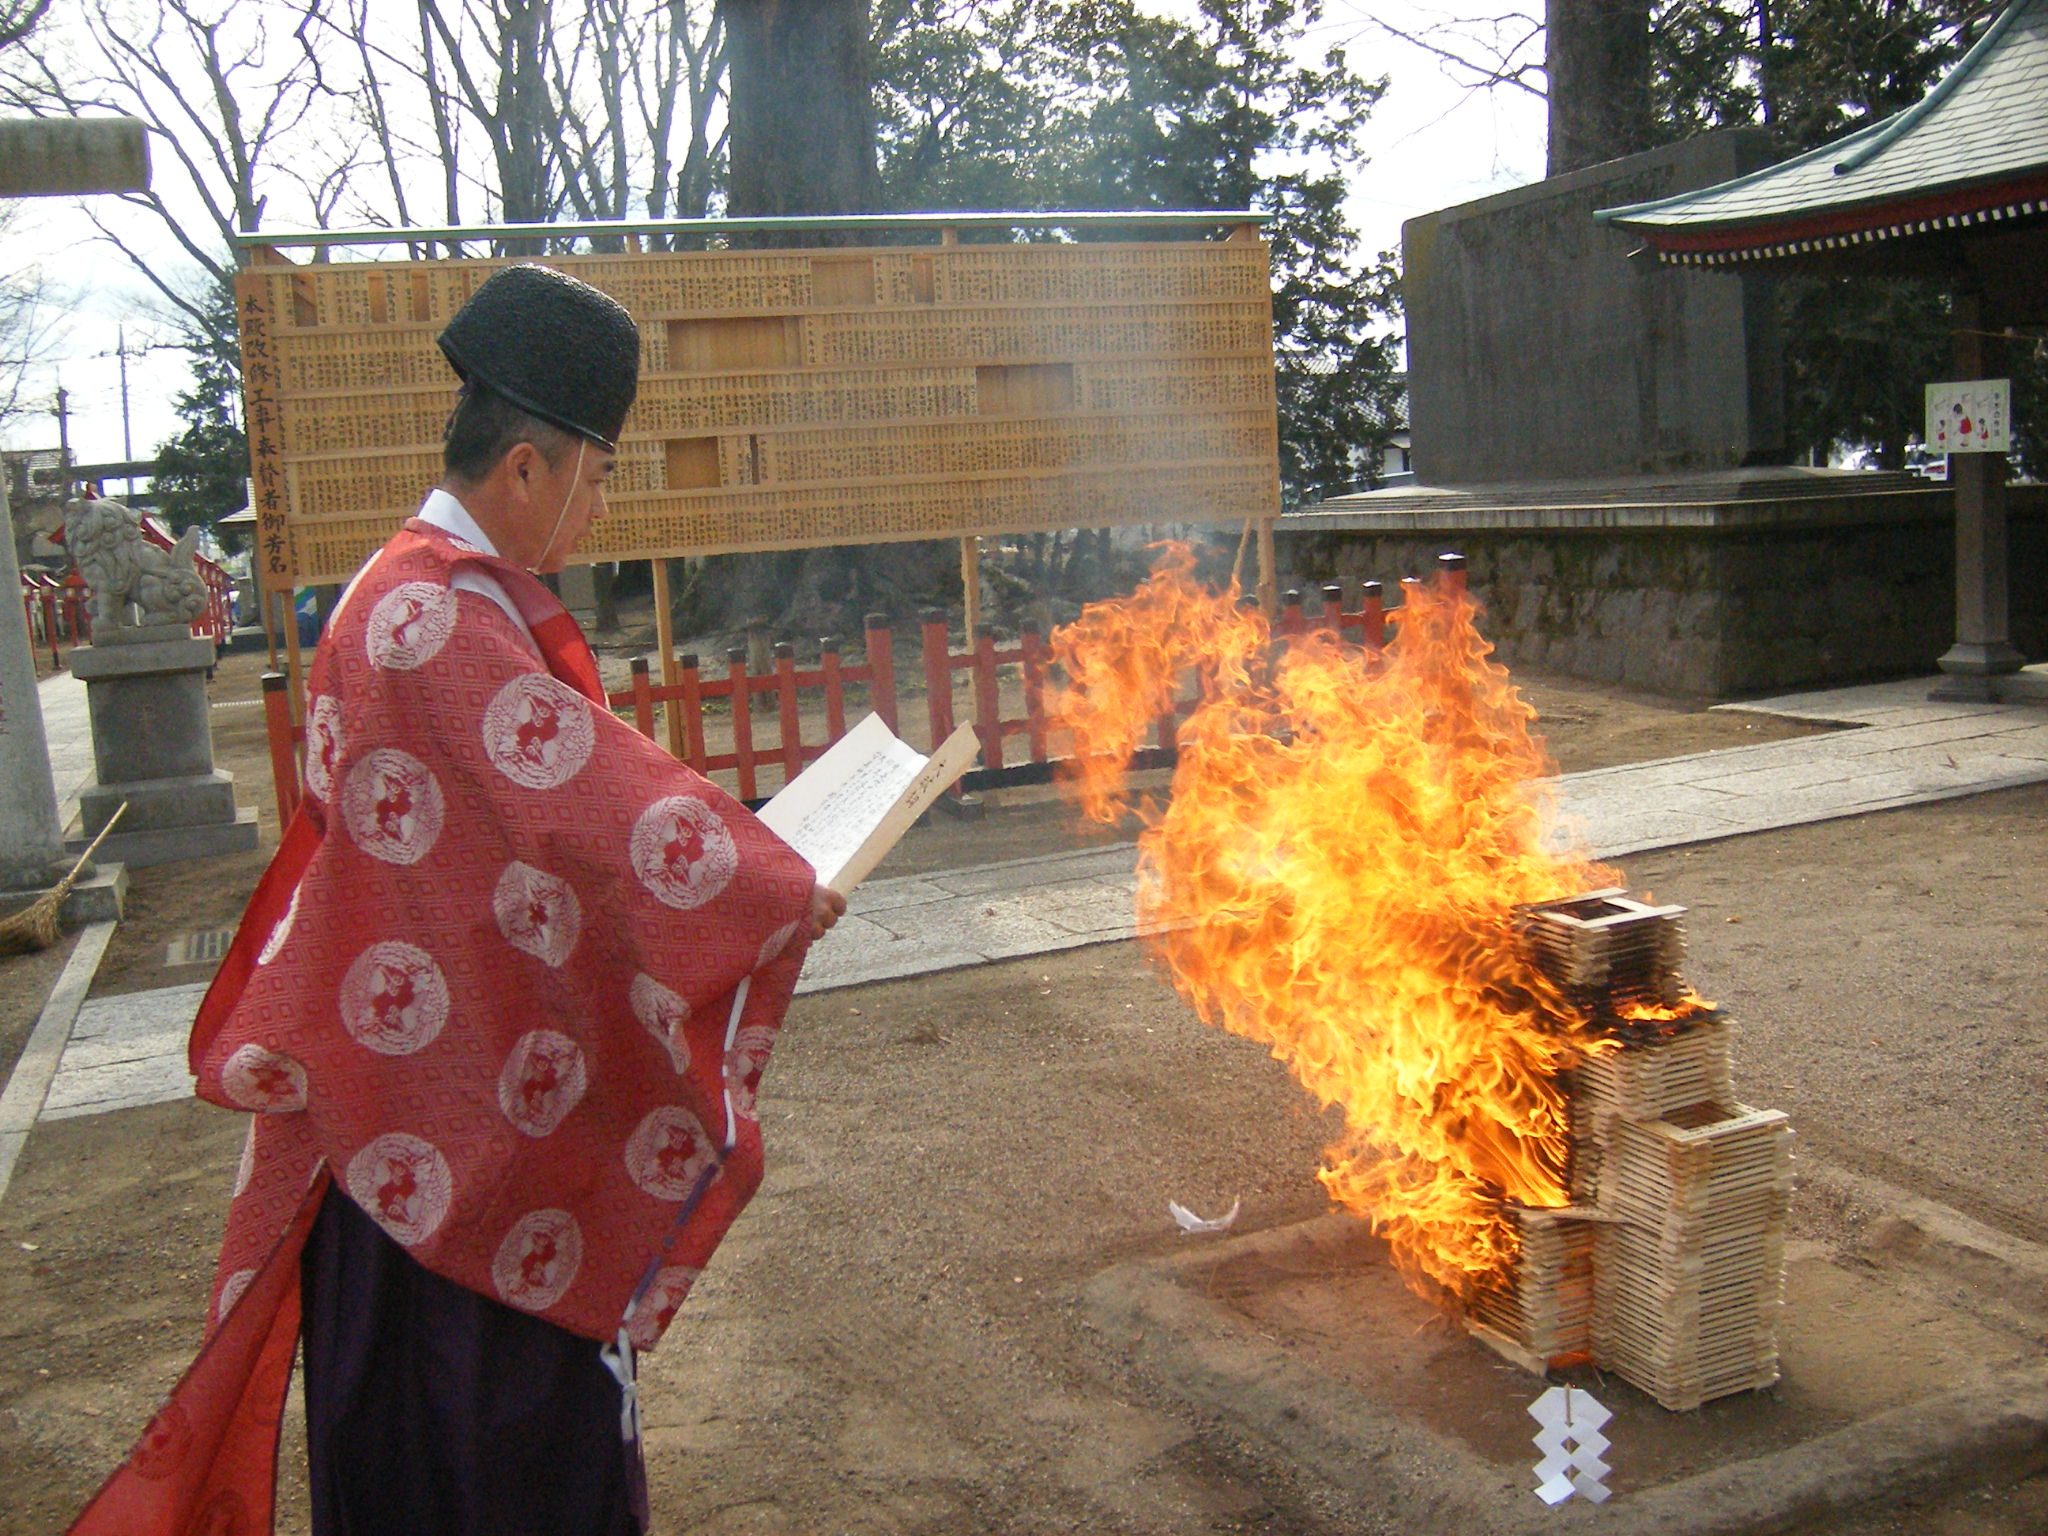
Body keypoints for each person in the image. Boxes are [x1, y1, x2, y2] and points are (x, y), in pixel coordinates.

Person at [69, 263, 845, 1536]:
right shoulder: (434, 622)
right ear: (530, 468)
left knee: (434, 1453)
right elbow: (585, 797)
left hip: (429, 1078)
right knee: (487, 1461)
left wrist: (738, 862)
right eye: (596, 479)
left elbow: (552, 812)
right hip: (437, 1130)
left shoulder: (411, 593)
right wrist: (762, 878)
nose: (592, 512)